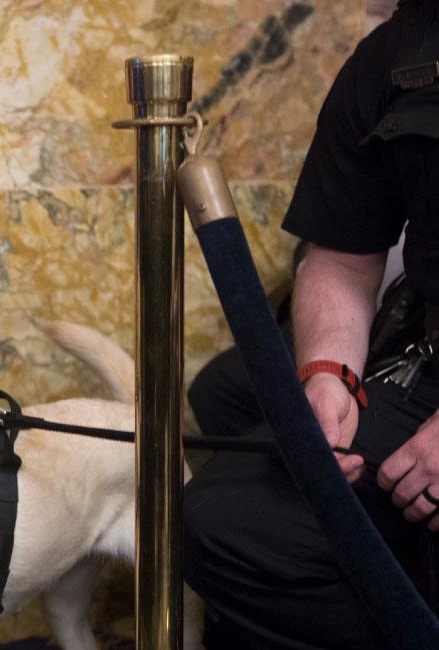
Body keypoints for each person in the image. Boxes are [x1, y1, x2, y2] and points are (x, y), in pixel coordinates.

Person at [184, 0, 439, 647]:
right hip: (423, 333)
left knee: (224, 527)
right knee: (228, 394)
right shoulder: (400, 49)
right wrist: (329, 375)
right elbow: (343, 257)